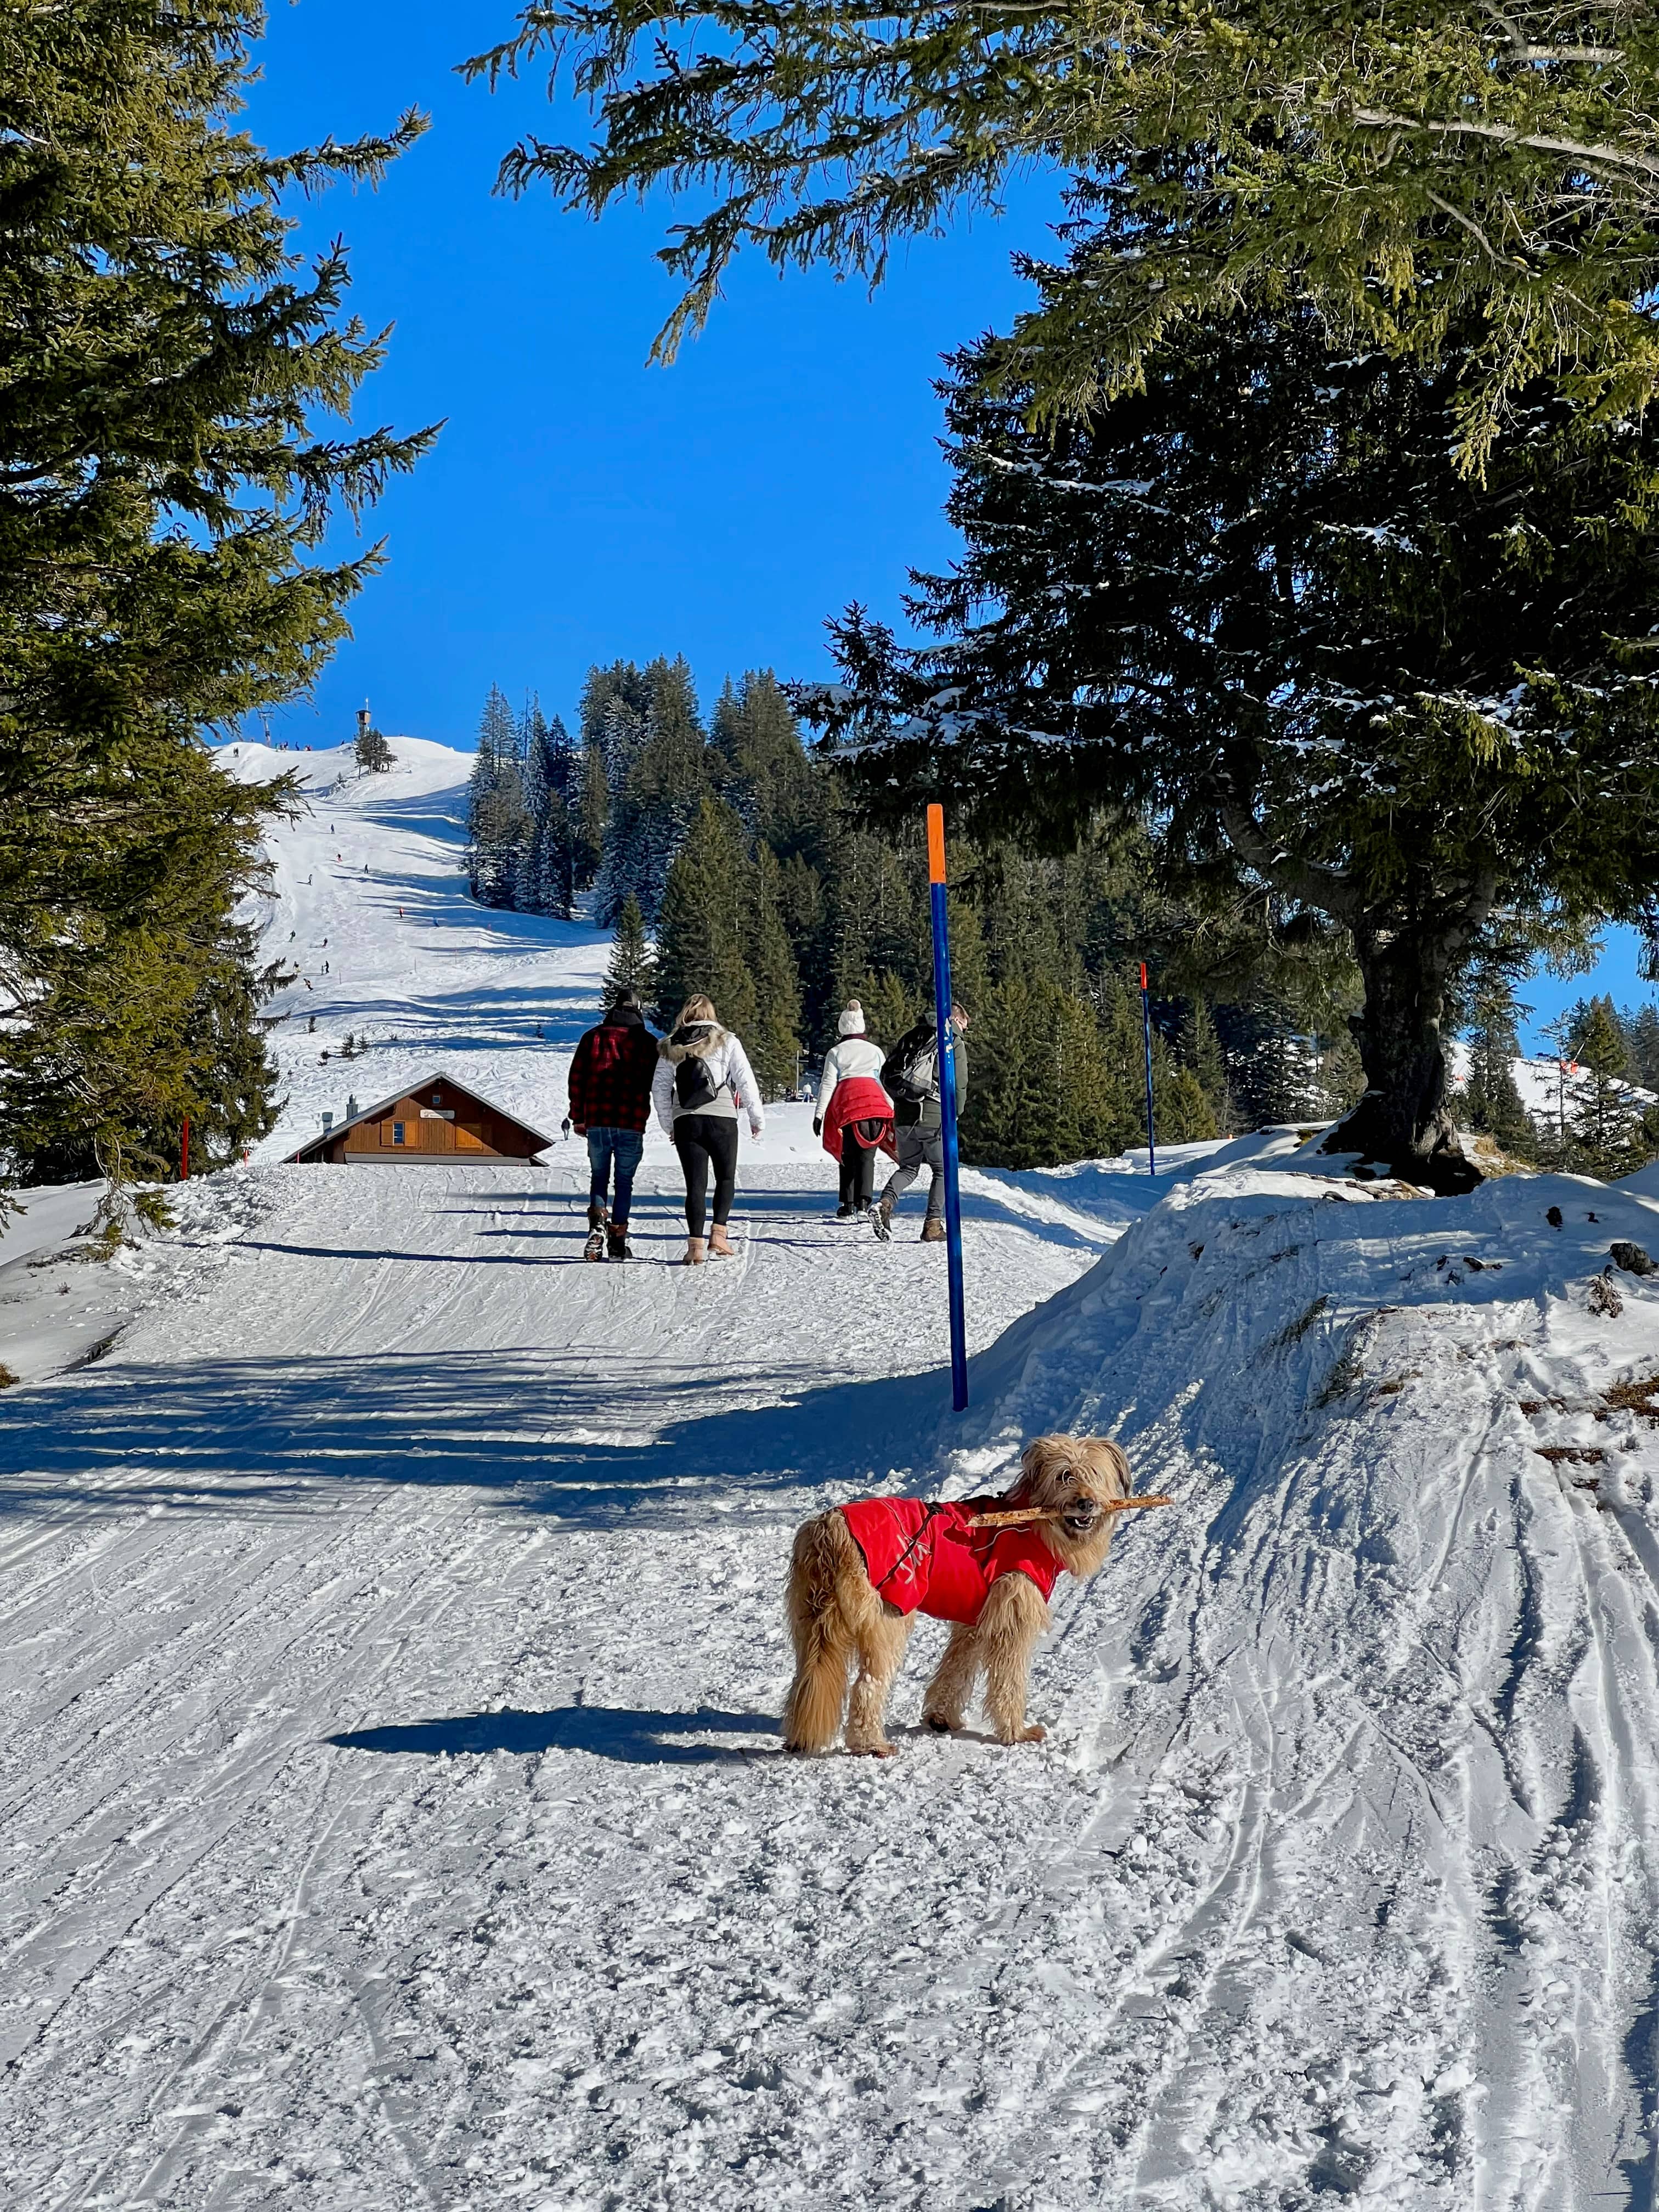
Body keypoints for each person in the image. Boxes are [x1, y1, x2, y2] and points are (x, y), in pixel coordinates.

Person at [653, 995, 764, 1265]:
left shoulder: (671, 1045)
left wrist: (670, 1124)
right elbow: (745, 1079)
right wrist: (756, 1117)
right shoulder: (727, 1040)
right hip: (722, 1116)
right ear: (710, 1014)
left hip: (686, 1119)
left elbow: (660, 1088)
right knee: (725, 1178)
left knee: (695, 1185)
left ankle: (695, 1247)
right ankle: (719, 1235)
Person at [565, 990, 660, 1260]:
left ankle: (597, 1225)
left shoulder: (592, 1037)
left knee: (599, 1177)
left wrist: (578, 1117)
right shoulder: (648, 1043)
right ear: (639, 1009)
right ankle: (617, 1244)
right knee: (624, 1182)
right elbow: (660, 1084)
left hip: (598, 1120)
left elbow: (577, 1080)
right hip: (631, 1121)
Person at [873, 1002, 970, 1244]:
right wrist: (956, 1113)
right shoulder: (952, 1042)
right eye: (964, 1027)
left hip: (904, 1114)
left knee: (908, 1168)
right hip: (933, 1114)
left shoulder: (913, 1036)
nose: (964, 1033)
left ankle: (885, 1204)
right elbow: (959, 1083)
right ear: (956, 1020)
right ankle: (933, 1225)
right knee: (943, 1170)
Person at [814, 1000, 895, 1219]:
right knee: (868, 1157)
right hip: (876, 1105)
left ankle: (848, 1204)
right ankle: (864, 1204)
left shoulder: (836, 1052)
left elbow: (828, 1084)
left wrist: (819, 1114)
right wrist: (892, 1108)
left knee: (848, 1155)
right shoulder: (875, 1051)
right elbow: (883, 1082)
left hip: (849, 1107)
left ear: (842, 1027)